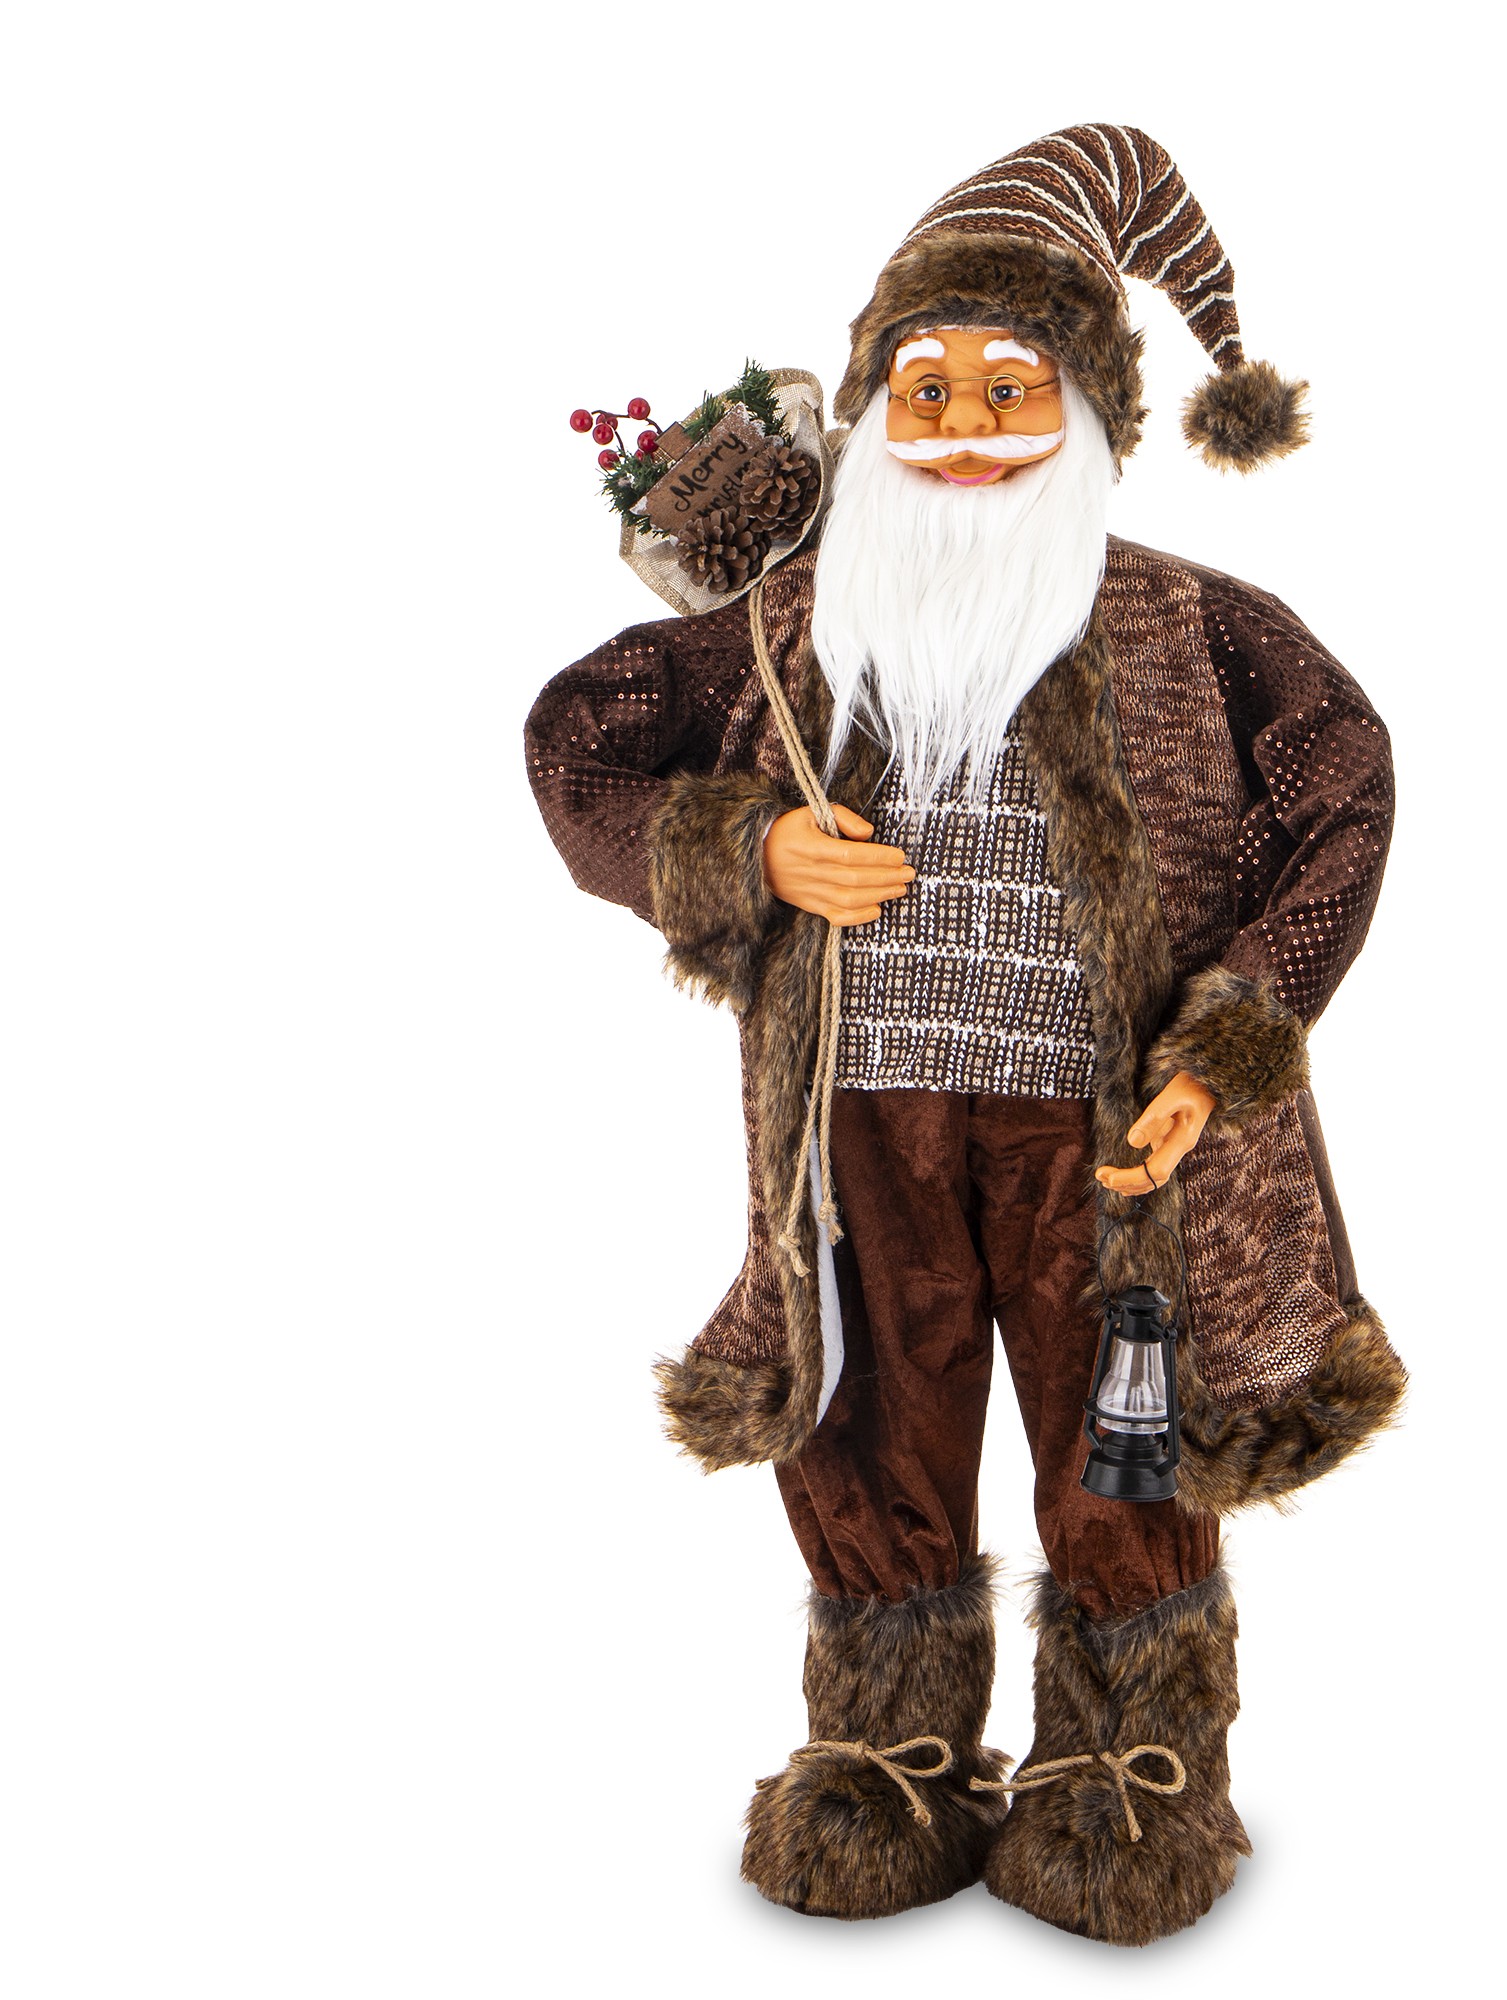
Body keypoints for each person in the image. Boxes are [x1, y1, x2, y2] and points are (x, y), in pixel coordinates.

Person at [525, 123, 1406, 1946]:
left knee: (1121, 1427)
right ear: (866, 411)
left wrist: (1230, 1041)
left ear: (1089, 410)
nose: (967, 426)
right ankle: (891, 1748)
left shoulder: (1189, 623)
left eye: (1015, 385)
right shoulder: (796, 626)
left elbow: (1342, 792)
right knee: (867, 1415)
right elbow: (580, 740)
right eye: (925, 388)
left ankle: (1132, 1761)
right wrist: (745, 848)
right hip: (860, 1123)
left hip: (1104, 1133)